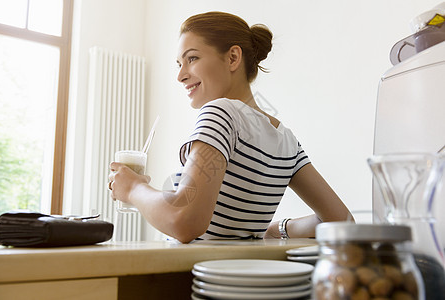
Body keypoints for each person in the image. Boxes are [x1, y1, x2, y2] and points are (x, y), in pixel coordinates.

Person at [109, 11, 353, 244]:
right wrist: (272, 230)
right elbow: (342, 221)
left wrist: (132, 188)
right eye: (178, 64)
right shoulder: (286, 139)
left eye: (192, 58)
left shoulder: (220, 113)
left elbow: (183, 220)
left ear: (233, 58)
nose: (180, 75)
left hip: (189, 280)